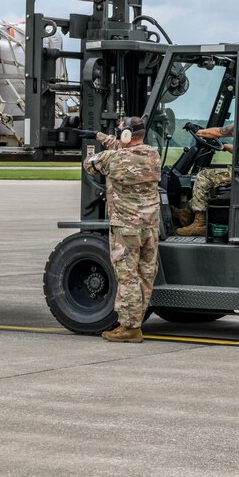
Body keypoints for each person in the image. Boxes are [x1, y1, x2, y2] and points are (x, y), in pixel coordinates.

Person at [85, 116, 162, 343]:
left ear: (127, 135)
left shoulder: (112, 158)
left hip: (126, 228)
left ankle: (129, 328)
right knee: (145, 276)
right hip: (149, 228)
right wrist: (102, 137)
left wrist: (97, 144)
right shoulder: (154, 155)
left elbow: (90, 164)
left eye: (120, 132)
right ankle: (136, 321)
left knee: (127, 277)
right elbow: (128, 151)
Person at [174, 87, 239, 236]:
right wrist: (224, 146)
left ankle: (200, 223)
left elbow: (220, 131)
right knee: (214, 182)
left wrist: (197, 131)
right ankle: (187, 213)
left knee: (204, 176)